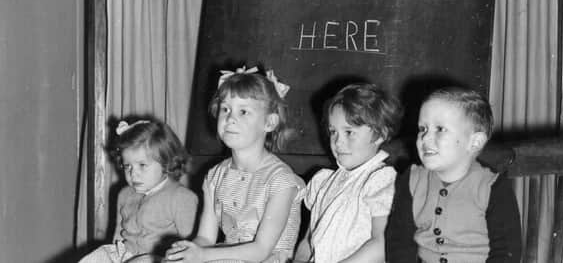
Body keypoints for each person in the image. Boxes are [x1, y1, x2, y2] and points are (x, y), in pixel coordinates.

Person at [165, 66, 304, 263]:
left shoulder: (280, 180)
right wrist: (187, 252)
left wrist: (204, 255)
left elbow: (261, 250)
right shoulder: (215, 175)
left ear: (269, 123)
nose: (230, 118)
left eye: (244, 111)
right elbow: (206, 237)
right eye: (225, 109)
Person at [385, 87, 522, 263]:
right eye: (422, 128)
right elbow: (399, 243)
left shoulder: (492, 187)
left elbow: (507, 253)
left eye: (440, 129)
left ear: (474, 142)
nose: (425, 138)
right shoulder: (411, 180)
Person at [294, 83, 403, 263]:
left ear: (381, 134)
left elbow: (381, 243)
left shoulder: (380, 180)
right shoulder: (324, 182)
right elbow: (308, 240)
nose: (338, 142)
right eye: (333, 132)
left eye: (349, 132)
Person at [80, 118, 198, 263]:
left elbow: (193, 247)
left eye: (142, 165)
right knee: (95, 257)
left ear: (166, 162)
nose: (133, 173)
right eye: (127, 166)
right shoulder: (124, 194)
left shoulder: (181, 197)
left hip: (162, 259)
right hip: (125, 255)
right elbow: (119, 235)